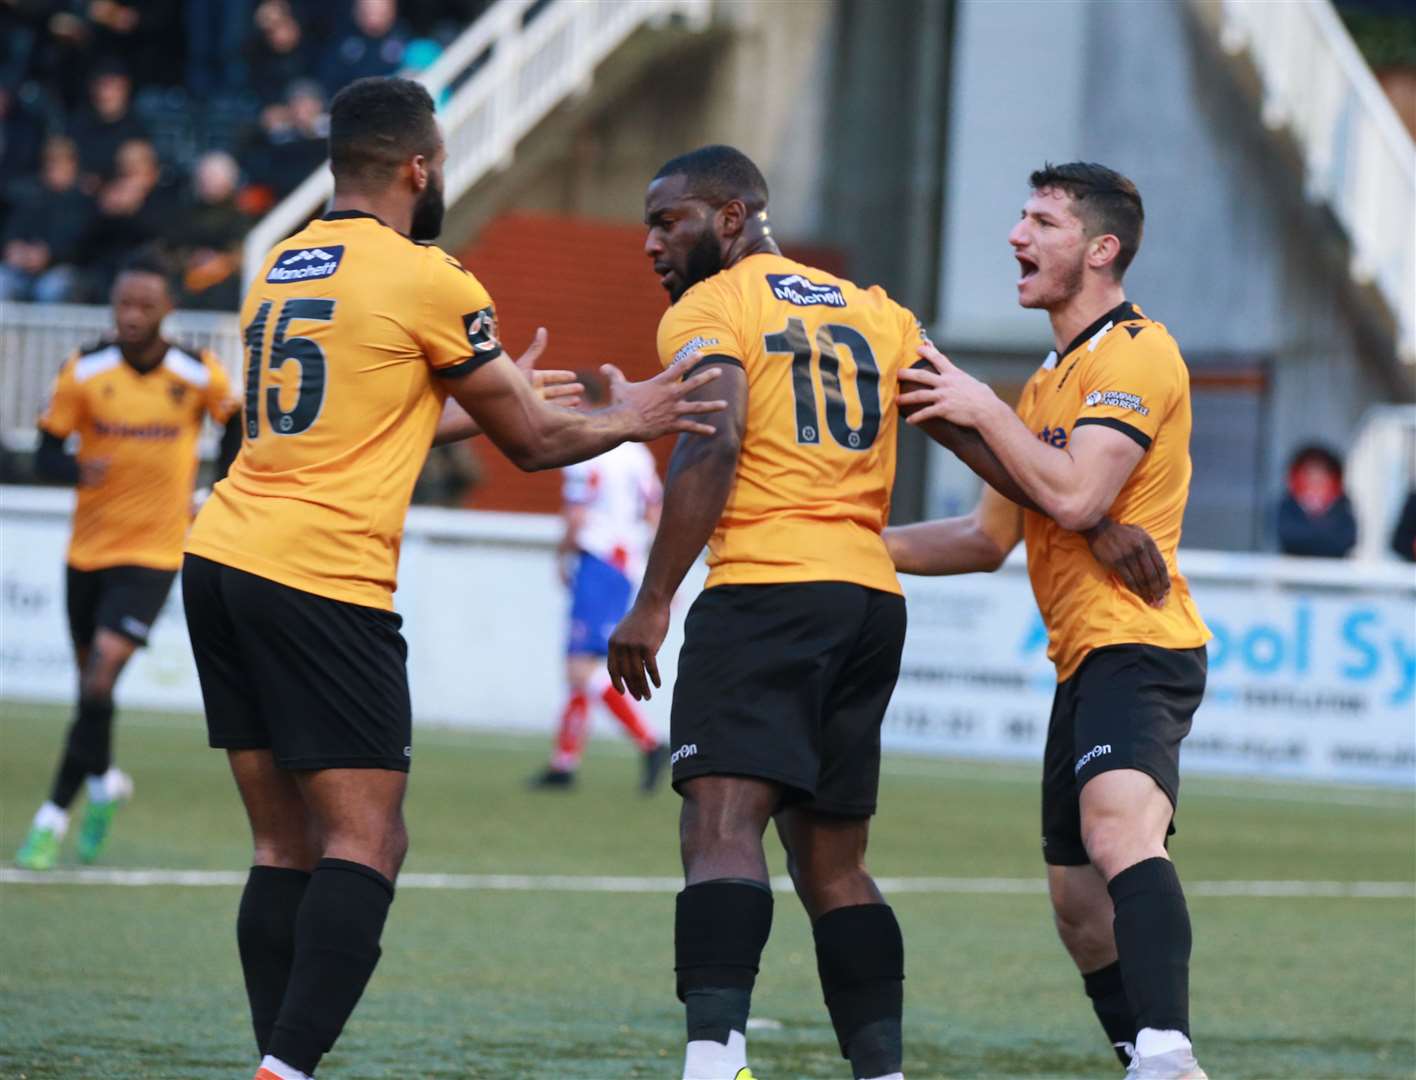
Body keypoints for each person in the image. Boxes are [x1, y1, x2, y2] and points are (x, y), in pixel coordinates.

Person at [179, 76, 725, 1080]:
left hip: (221, 559)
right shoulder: (431, 276)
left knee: (282, 846)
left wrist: (487, 384)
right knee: (368, 839)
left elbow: (359, 415)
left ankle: (276, 1057)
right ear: (420, 168)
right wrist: (632, 417)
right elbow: (535, 440)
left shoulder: (284, 267)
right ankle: (285, 1070)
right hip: (320, 577)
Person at [888, 162, 1212, 1080]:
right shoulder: (1045, 386)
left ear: (1100, 250)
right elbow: (985, 538)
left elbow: (1074, 493)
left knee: (1118, 835)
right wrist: (836, 540)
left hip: (1142, 643)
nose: (1016, 237)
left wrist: (981, 409)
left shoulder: (1138, 353)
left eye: (1041, 222)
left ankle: (1168, 1054)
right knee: (1078, 912)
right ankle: (1140, 1053)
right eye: (1020, 217)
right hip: (1082, 660)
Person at [607, 145, 920, 1080]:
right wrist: (1077, 505)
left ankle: (713, 1065)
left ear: (733, 217)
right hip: (869, 595)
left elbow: (717, 436)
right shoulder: (877, 310)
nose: (654, 245)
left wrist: (654, 599)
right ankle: (883, 1074)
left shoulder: (712, 308)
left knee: (720, 827)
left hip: (767, 589)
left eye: (671, 222)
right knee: (833, 865)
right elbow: (971, 415)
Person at [15, 251, 241, 871]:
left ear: (168, 308)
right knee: (93, 692)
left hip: (154, 552)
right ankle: (103, 781)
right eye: (123, 304)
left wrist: (218, 488)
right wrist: (77, 468)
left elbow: (238, 423)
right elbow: (45, 453)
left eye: (145, 305)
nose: (132, 315)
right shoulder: (86, 369)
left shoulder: (197, 373)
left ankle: (50, 817)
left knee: (99, 677)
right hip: (87, 551)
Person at [531, 376, 667, 791]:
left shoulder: (585, 448)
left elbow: (576, 516)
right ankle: (564, 763)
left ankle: (648, 744)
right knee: (582, 666)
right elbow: (655, 510)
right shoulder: (637, 452)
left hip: (599, 561)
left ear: (580, 401)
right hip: (625, 564)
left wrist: (562, 556)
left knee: (580, 667)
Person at [0, 135, 94, 302]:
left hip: (63, 270)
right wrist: (14, 247)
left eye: (59, 162)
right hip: (23, 267)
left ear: (73, 164)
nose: (53, 168)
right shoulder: (31, 194)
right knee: (2, 281)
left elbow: (83, 246)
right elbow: (13, 231)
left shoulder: (83, 200)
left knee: (52, 288)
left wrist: (50, 255)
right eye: (50, 162)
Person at [1275, 443, 1357, 558]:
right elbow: (1288, 536)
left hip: (1333, 572)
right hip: (1293, 571)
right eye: (1310, 473)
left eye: (1321, 472)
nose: (1316, 478)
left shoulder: (1342, 504)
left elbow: (1347, 540)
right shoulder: (1289, 503)